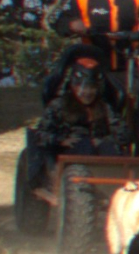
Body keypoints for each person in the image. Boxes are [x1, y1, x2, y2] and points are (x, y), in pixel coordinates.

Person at [28, 56, 127, 185]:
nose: (87, 92)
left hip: (102, 157)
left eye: (92, 87)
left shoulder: (105, 108)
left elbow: (123, 134)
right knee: (84, 145)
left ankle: (114, 185)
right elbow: (40, 136)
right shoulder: (58, 106)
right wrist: (61, 141)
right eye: (82, 87)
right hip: (69, 160)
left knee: (109, 148)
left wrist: (103, 141)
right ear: (73, 85)